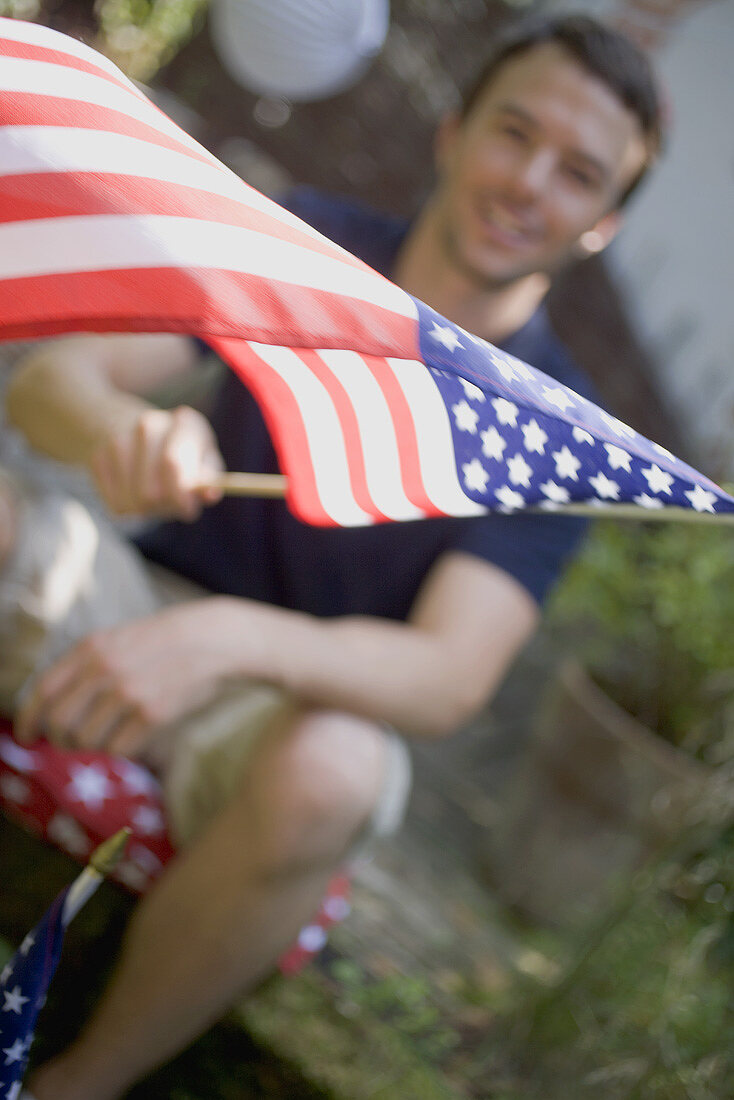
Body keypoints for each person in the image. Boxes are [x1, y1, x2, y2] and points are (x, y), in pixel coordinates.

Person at [0, 15, 663, 1100]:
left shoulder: (551, 431)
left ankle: (76, 1083)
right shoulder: (306, 244)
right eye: (513, 132)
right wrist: (120, 433)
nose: (529, 182)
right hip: (124, 605)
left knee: (340, 766)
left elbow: (446, 675)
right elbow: (50, 385)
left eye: (578, 172)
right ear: (451, 135)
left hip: (280, 712)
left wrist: (221, 639)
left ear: (599, 223)